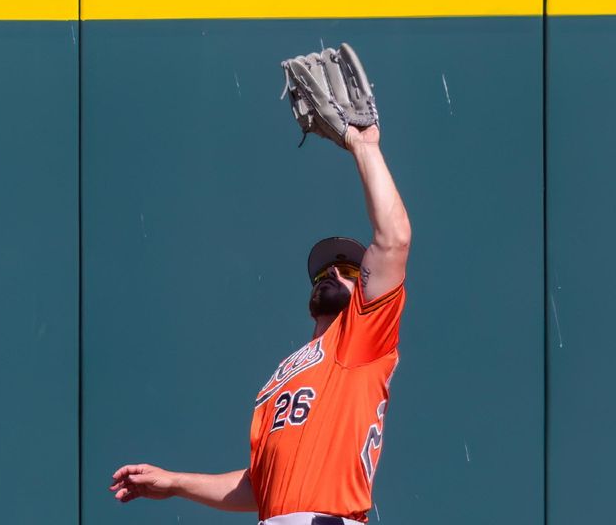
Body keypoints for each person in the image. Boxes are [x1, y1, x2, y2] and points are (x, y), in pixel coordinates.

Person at [110, 121, 410, 525]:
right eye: (323, 273)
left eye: (346, 269)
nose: (331, 276)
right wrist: (176, 482)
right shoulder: (279, 380)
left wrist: (364, 146)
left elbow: (393, 239)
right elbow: (258, 485)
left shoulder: (360, 337)